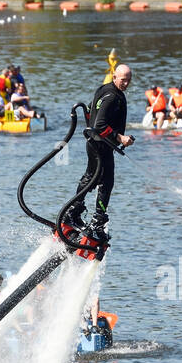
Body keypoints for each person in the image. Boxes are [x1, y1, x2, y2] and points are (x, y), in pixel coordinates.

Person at [66, 64, 134, 241]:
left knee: (91, 177)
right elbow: (100, 125)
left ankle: (74, 212)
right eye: (123, 79)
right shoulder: (112, 97)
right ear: (114, 77)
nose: (126, 83)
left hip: (96, 144)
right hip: (100, 146)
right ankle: (96, 221)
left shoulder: (105, 90)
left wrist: (96, 132)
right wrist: (120, 138)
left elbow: (90, 109)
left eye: (128, 80)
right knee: (106, 182)